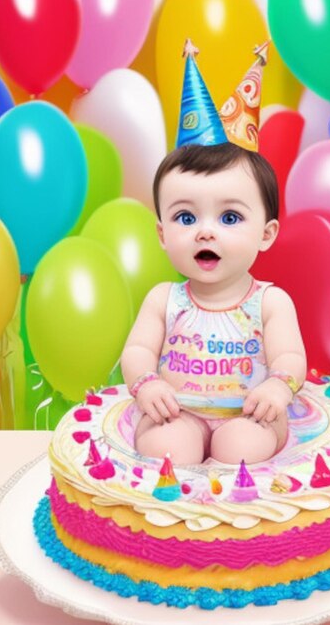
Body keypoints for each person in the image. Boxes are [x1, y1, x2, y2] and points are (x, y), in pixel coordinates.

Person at [120, 142, 307, 465]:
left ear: (266, 233)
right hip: (178, 412)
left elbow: (289, 356)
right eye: (186, 217)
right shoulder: (164, 299)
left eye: (230, 217)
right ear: (163, 234)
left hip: (250, 414)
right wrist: (147, 385)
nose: (205, 232)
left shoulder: (270, 302)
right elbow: (138, 351)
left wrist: (278, 387)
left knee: (241, 449)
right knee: (169, 449)